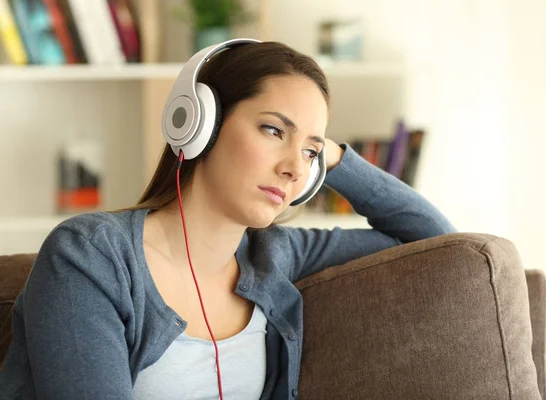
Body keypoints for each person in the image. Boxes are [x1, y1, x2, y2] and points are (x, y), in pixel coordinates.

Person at [0, 39, 456, 400]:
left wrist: (335, 159)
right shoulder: (90, 255)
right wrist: (312, 144)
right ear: (200, 124)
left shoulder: (276, 254)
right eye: (274, 130)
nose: (295, 168)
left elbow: (440, 246)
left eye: (309, 153)